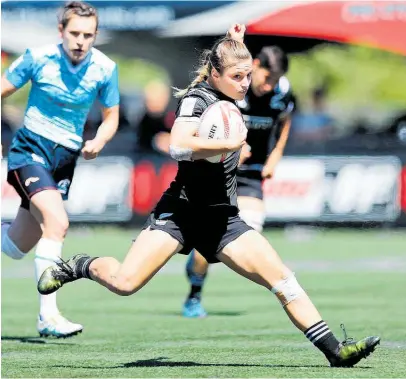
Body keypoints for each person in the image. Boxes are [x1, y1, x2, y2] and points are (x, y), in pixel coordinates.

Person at [37, 24, 379, 367]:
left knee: (283, 281)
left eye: (248, 76)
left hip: (222, 218)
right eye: (237, 77)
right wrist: (228, 144)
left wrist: (236, 43)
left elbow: (235, 69)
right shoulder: (197, 99)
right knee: (125, 283)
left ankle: (336, 352)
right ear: (216, 74)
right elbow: (178, 144)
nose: (245, 84)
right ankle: (79, 265)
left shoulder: (233, 88)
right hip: (180, 214)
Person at [1, 1, 120, 338]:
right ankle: (48, 316)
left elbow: (112, 117)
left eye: (89, 35)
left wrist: (98, 140)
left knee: (16, 246)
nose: (81, 41)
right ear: (61, 32)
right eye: (75, 33)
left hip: (66, 158)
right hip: (30, 151)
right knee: (58, 223)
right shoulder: (37, 58)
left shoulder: (105, 67)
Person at [183, 44, 295, 318]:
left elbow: (285, 121)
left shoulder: (282, 92)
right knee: (207, 251)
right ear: (255, 65)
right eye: (266, 78)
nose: (268, 86)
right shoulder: (232, 88)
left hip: (251, 175)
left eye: (274, 80)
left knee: (249, 232)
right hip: (220, 173)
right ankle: (194, 295)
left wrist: (276, 155)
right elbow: (203, 125)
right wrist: (228, 147)